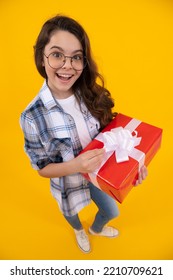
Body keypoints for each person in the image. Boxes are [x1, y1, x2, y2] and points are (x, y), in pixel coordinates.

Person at [20, 15, 148, 253]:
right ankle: (79, 229)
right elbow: (42, 168)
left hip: (101, 175)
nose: (68, 65)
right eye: (57, 54)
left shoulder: (89, 93)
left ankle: (96, 229)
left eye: (76, 57)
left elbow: (111, 136)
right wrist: (77, 165)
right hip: (68, 182)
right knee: (70, 214)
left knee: (112, 211)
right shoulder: (32, 116)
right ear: (42, 57)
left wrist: (134, 164)